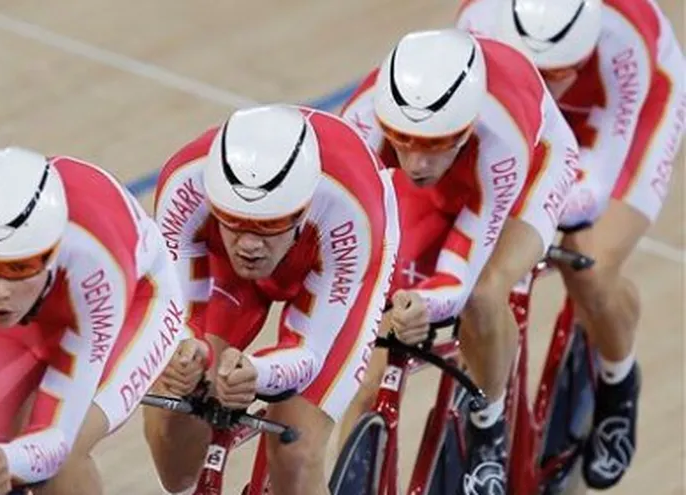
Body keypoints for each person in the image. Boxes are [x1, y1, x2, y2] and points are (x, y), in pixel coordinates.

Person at [338, 29, 581, 494]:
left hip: (527, 174)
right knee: (372, 351)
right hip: (448, 187)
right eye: (402, 141)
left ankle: (488, 423)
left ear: (466, 127)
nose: (414, 163)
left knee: (485, 294)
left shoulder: (502, 132)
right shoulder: (364, 118)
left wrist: (425, 306)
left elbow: (462, 271)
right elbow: (350, 245)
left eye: (434, 143)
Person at [456, 0, 685, 488]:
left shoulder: (624, 40)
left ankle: (618, 383)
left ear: (581, 56)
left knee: (591, 266)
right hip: (516, 118)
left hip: (617, 119)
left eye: (554, 72)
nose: (541, 83)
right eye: (530, 67)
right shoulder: (480, 24)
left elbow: (592, 188)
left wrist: (530, 220)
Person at [0, 147, 189, 495]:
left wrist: (11, 462)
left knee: (67, 456)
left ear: (52, 252)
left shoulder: (94, 262)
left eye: (19, 268)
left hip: (135, 301)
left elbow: (56, 440)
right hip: (32, 318)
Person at [142, 104, 400, 495]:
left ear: (301, 211)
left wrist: (256, 374)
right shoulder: (185, 183)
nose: (248, 244)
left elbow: (308, 352)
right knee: (170, 415)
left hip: (328, 262)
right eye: (233, 220)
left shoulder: (348, 211)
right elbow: (175, 314)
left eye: (269, 225)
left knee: (295, 450)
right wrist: (184, 349)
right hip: (224, 271)